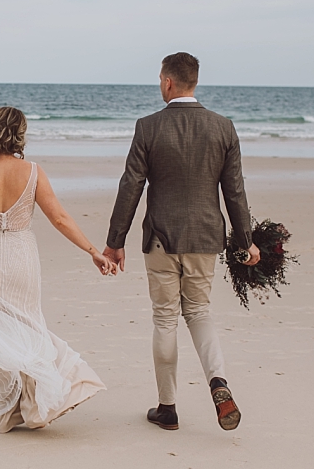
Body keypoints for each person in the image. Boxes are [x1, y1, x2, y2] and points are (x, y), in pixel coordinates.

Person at [0, 106, 113, 433]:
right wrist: (92, 251)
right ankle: (36, 403)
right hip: (21, 256)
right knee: (30, 326)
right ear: (19, 134)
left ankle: (7, 411)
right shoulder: (33, 172)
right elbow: (60, 218)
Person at [104, 52, 260, 432]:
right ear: (195, 81)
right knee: (199, 312)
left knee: (165, 318)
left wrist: (115, 241)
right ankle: (218, 382)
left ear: (168, 82)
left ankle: (168, 408)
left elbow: (131, 186)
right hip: (205, 237)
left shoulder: (148, 127)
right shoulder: (223, 128)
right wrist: (246, 240)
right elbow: (234, 191)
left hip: (161, 237)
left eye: (160, 79)